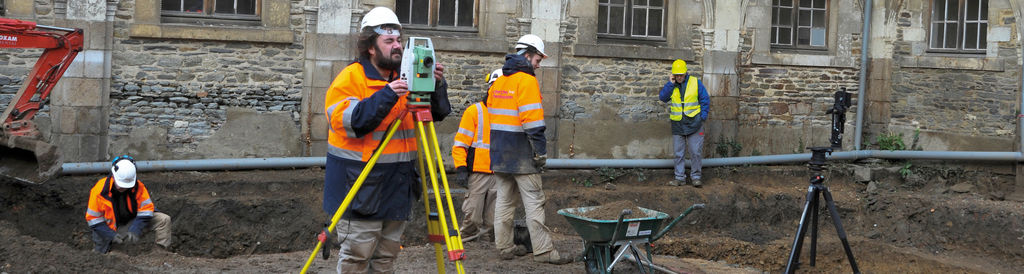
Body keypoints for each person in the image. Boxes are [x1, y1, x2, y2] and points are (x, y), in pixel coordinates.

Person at [322, 6, 450, 273]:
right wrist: (388, 94)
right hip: (360, 189)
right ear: (370, 46)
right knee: (357, 259)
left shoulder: (405, 76)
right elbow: (352, 122)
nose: (397, 47)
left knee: (385, 260)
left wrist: (435, 85)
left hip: (398, 186)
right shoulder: (350, 79)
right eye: (389, 41)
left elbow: (438, 113)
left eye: (399, 41)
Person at [486, 34, 570, 264]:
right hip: (522, 154)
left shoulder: (500, 80)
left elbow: (493, 116)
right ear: (527, 55)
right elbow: (533, 123)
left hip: (500, 153)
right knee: (534, 201)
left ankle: (504, 247)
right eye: (537, 60)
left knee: (504, 201)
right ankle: (543, 251)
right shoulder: (526, 81)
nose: (539, 64)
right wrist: (541, 152)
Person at [451, 69, 501, 243]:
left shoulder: (508, 114)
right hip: (478, 172)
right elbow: (460, 144)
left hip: (500, 173)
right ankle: (466, 242)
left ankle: (485, 245)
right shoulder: (475, 112)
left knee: (493, 219)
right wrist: (461, 168)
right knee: (472, 215)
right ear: (490, 88)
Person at [85, 155, 172, 254]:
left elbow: (146, 210)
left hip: (131, 223)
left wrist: (135, 229)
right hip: (108, 230)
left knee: (163, 219)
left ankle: (161, 253)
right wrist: (111, 235)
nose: (123, 188)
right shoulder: (99, 191)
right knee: (105, 255)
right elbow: (94, 221)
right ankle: (106, 252)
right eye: (121, 184)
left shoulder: (138, 187)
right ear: (113, 176)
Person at [659, 59, 710, 187]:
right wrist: (670, 84)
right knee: (678, 153)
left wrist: (702, 117)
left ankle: (696, 177)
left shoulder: (695, 82)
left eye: (681, 75)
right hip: (678, 124)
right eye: (677, 75)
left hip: (695, 123)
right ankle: (679, 178)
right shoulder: (671, 85)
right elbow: (663, 98)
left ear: (686, 73)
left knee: (695, 151)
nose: (679, 77)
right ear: (673, 75)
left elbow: (705, 99)